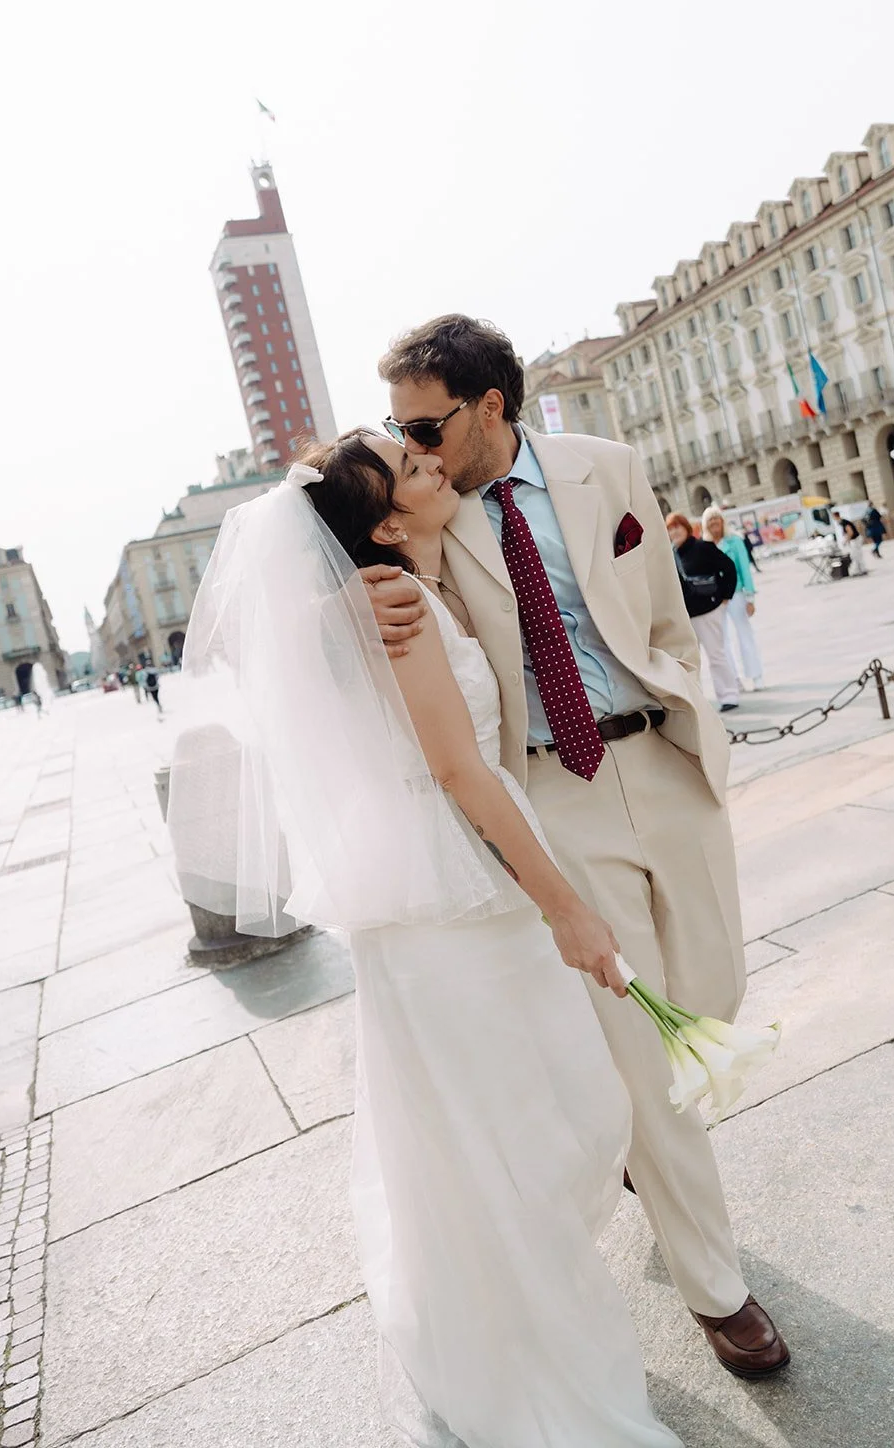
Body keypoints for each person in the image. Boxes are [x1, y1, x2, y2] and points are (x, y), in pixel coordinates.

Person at [173, 438, 688, 1447]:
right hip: (462, 906)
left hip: (445, 901)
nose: (429, 461)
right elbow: (461, 772)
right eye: (407, 466)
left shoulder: (396, 586)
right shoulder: (392, 609)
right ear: (386, 527)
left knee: (498, 1145)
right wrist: (565, 908)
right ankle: (541, 1385)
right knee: (521, 1149)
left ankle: (491, 1347)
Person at [367, 314, 789, 1380]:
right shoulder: (429, 519)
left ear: (489, 407)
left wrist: (686, 699)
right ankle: (716, 1288)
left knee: (712, 995)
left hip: (665, 763)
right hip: (559, 790)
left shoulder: (608, 468)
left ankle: (654, 1158)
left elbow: (661, 622)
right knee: (648, 1058)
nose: (410, 444)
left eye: (424, 421)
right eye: (397, 425)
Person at [665, 512, 740, 713]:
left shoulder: (703, 547)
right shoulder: (670, 555)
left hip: (708, 610)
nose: (674, 531)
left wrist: (726, 596)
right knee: (688, 660)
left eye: (677, 526)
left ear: (686, 528)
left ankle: (729, 694)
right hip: (686, 615)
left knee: (716, 654)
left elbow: (729, 568)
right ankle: (697, 702)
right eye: (670, 528)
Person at [703, 506, 764, 692]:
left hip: (736, 593)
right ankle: (733, 679)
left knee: (745, 634)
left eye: (717, 519)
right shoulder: (705, 546)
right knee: (721, 641)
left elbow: (745, 569)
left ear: (722, 521)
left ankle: (755, 675)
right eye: (710, 520)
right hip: (716, 598)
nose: (714, 523)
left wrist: (750, 596)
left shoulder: (735, 541)